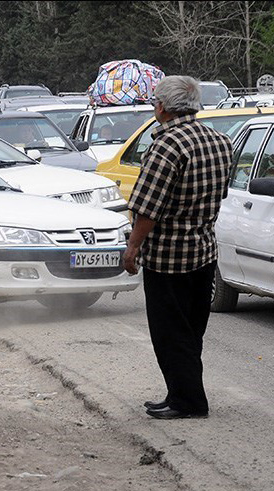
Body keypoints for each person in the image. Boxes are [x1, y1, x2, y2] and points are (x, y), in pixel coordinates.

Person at [123, 76, 232, 420]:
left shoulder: (166, 145)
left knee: (170, 332)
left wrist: (132, 249)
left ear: (162, 107)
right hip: (203, 250)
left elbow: (148, 209)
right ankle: (180, 393)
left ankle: (189, 402)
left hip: (168, 256)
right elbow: (219, 194)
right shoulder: (219, 141)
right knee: (190, 330)